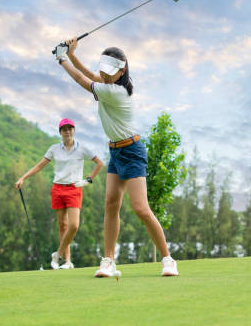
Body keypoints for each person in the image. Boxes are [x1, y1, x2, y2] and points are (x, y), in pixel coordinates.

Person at [54, 37, 179, 277]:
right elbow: (89, 73)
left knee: (141, 208)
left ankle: (167, 258)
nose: (105, 74)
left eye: (110, 72)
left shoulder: (116, 92)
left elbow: (82, 79)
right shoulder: (109, 82)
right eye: (104, 70)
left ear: (122, 71)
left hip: (132, 152)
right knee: (111, 204)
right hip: (116, 151)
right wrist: (70, 54)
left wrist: (61, 58)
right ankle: (108, 261)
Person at [15, 118, 104, 270]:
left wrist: (88, 180)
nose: (67, 131)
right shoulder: (54, 149)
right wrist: (23, 177)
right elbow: (40, 166)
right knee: (63, 226)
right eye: (64, 129)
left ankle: (58, 254)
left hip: (74, 189)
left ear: (74, 131)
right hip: (57, 189)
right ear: (60, 133)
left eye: (70, 129)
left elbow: (99, 163)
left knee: (74, 225)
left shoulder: (82, 148)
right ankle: (67, 261)